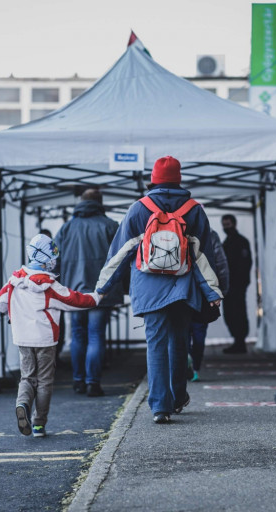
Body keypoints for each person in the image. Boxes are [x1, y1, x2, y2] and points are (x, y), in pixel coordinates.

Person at [96, 156, 223, 424]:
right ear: (179, 179)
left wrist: (104, 286)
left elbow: (120, 252)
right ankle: (177, 397)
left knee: (155, 345)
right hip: (183, 287)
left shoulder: (138, 209)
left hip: (148, 288)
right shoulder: (194, 209)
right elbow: (204, 257)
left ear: (153, 179)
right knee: (179, 343)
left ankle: (159, 407)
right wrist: (212, 292)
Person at [0, 234, 101, 438]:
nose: (55, 258)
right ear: (45, 257)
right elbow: (74, 300)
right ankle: (38, 424)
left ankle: (22, 403)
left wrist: (14, 310)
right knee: (44, 381)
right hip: (45, 339)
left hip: (22, 338)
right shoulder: (50, 286)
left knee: (27, 376)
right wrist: (96, 298)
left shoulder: (14, 280)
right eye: (52, 253)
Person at [54, 189, 123, 397]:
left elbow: (53, 260)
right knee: (96, 336)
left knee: (77, 336)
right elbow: (122, 259)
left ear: (80, 203)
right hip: (101, 292)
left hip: (74, 292)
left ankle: (78, 381)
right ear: (100, 203)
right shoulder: (111, 226)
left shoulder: (66, 228)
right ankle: (93, 382)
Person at [188, 228, 230, 382]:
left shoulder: (173, 228)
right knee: (199, 332)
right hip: (204, 291)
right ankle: (195, 368)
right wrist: (222, 289)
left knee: (181, 332)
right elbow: (221, 263)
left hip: (180, 291)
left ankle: (184, 364)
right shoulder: (210, 234)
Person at [221, 214, 253, 354]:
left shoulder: (241, 242)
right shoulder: (227, 242)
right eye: (224, 225)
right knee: (229, 314)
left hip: (237, 285)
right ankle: (238, 341)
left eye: (228, 224)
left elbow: (246, 264)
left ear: (234, 224)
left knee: (238, 313)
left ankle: (240, 341)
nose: (226, 227)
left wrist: (241, 282)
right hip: (229, 285)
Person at [39, 228, 68, 369]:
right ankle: (52, 358)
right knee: (55, 326)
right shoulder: (56, 255)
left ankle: (53, 357)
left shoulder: (35, 256)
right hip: (51, 297)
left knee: (55, 326)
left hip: (48, 298)